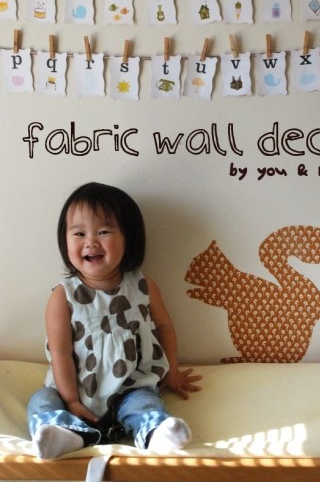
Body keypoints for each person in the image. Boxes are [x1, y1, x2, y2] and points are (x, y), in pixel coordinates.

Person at [27, 182, 202, 459]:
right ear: (65, 241)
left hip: (129, 388)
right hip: (73, 391)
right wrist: (71, 400)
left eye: (103, 232)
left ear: (128, 238)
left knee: (145, 403)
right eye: (79, 233)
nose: (91, 242)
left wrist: (171, 370)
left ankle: (155, 431)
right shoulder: (63, 296)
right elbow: (60, 353)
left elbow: (164, 327)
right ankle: (63, 433)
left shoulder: (143, 286)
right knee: (41, 400)